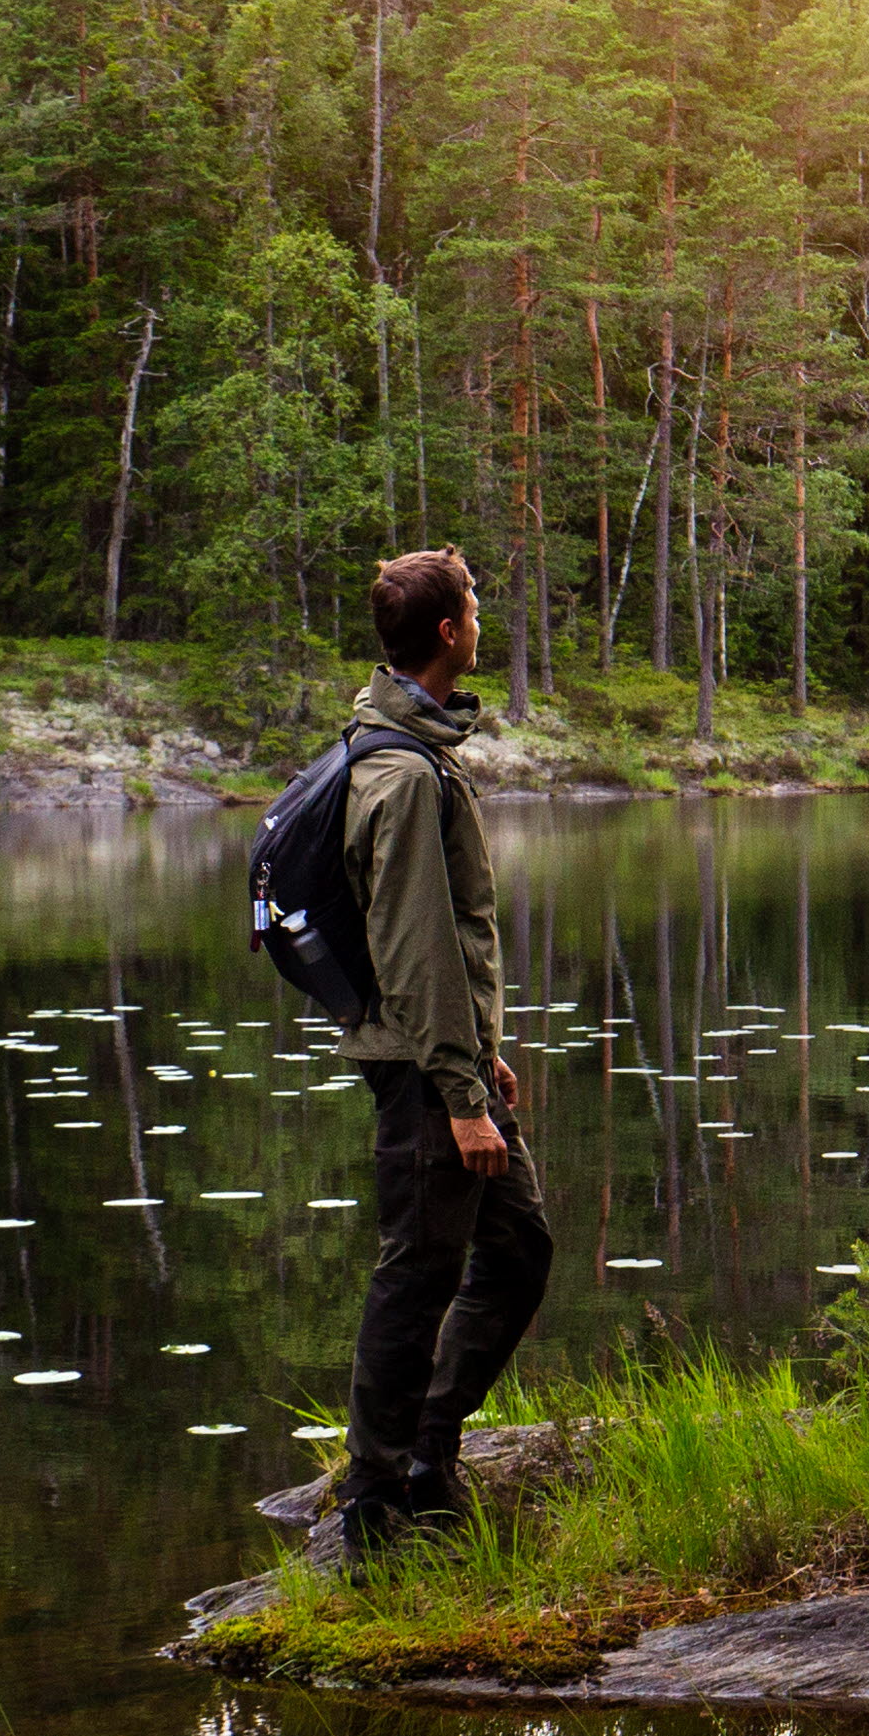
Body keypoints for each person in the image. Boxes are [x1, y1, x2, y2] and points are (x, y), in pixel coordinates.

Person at [327, 547, 549, 1555]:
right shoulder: (403, 770)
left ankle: (426, 1447)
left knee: (518, 1247)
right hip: (424, 1072)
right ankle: (374, 1503)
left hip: (445, 1056)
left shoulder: (408, 743)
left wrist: (481, 1054)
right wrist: (460, 1090)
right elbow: (414, 943)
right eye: (474, 602)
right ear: (451, 633)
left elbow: (438, 942)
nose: (480, 614)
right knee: (418, 1271)